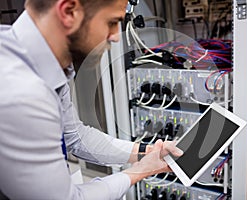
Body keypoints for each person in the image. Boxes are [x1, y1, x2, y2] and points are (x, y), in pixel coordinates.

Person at [0, 0, 183, 199]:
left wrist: (147, 152)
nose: (115, 37)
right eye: (111, 22)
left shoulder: (44, 66)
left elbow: (76, 137)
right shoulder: (20, 92)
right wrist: (140, 171)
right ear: (69, 11)